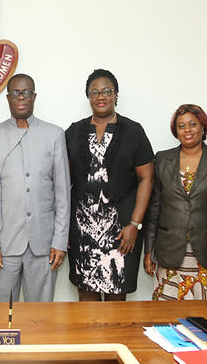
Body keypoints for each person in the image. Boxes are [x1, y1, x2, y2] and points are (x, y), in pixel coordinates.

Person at [0, 73, 70, 302]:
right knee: (0, 320)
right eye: (16, 92)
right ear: (8, 98)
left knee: (39, 321)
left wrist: (59, 241)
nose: (21, 97)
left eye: (26, 92)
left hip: (44, 246)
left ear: (34, 96)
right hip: (2, 246)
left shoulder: (54, 135)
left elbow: (63, 194)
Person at [65, 69, 154, 301]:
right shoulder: (74, 132)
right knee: (86, 296)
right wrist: (63, 227)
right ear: (88, 97)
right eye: (94, 92)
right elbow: (62, 181)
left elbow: (147, 179)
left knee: (116, 299)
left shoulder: (134, 131)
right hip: (82, 229)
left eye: (106, 91)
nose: (100, 96)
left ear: (116, 95)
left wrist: (135, 224)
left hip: (121, 231)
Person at [143, 104, 207, 308]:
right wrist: (148, 250)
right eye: (181, 126)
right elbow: (154, 209)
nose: (187, 130)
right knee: (169, 318)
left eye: (193, 124)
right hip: (171, 252)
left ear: (203, 127)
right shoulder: (162, 159)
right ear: (175, 131)